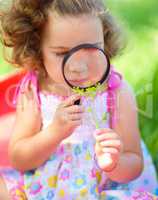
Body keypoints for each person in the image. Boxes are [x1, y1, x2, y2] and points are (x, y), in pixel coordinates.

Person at [0, 0, 157, 199]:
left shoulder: (116, 91)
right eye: (63, 53)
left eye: (91, 48)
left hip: (103, 188)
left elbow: (134, 161)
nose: (78, 66)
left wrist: (114, 164)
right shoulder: (33, 91)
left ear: (105, 41)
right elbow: (19, 159)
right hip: (48, 185)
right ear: (37, 48)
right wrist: (54, 132)